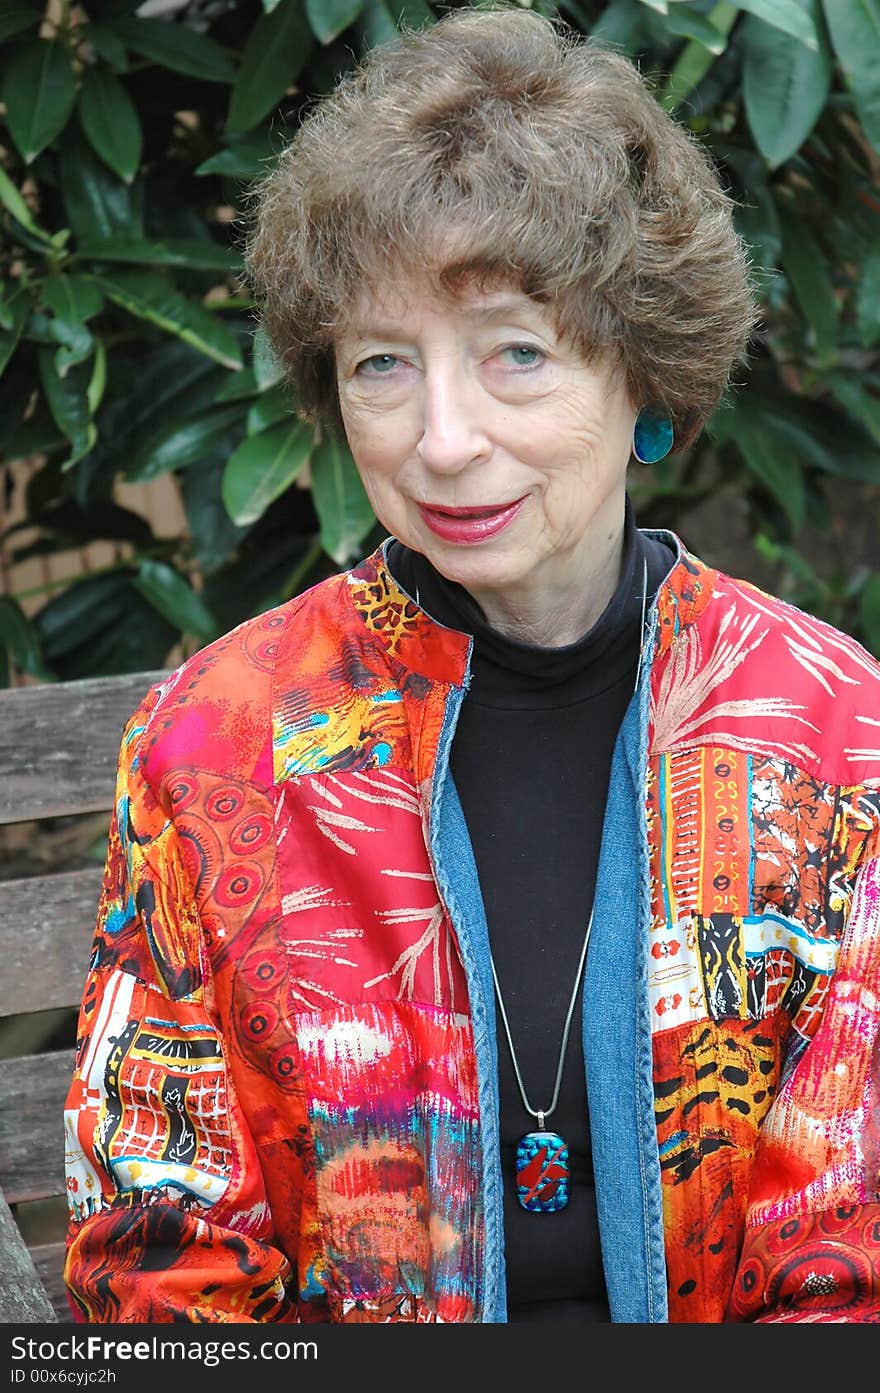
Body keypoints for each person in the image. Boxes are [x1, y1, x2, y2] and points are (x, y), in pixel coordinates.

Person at [62, 6, 880, 1324]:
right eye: (385, 362)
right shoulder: (220, 743)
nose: (444, 441)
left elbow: (854, 1260)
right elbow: (158, 1257)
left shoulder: (833, 737)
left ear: (645, 378)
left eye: (515, 352)